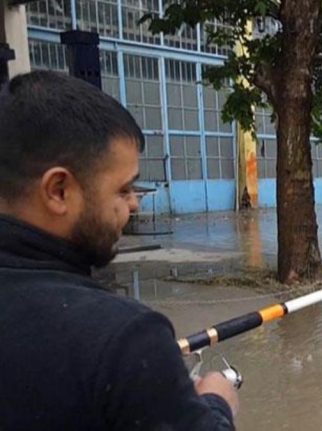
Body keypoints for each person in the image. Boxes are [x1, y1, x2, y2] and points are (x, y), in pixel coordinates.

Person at [0, 71, 238, 430]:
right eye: (123, 189)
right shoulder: (127, 338)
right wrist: (217, 403)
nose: (134, 205)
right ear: (59, 190)